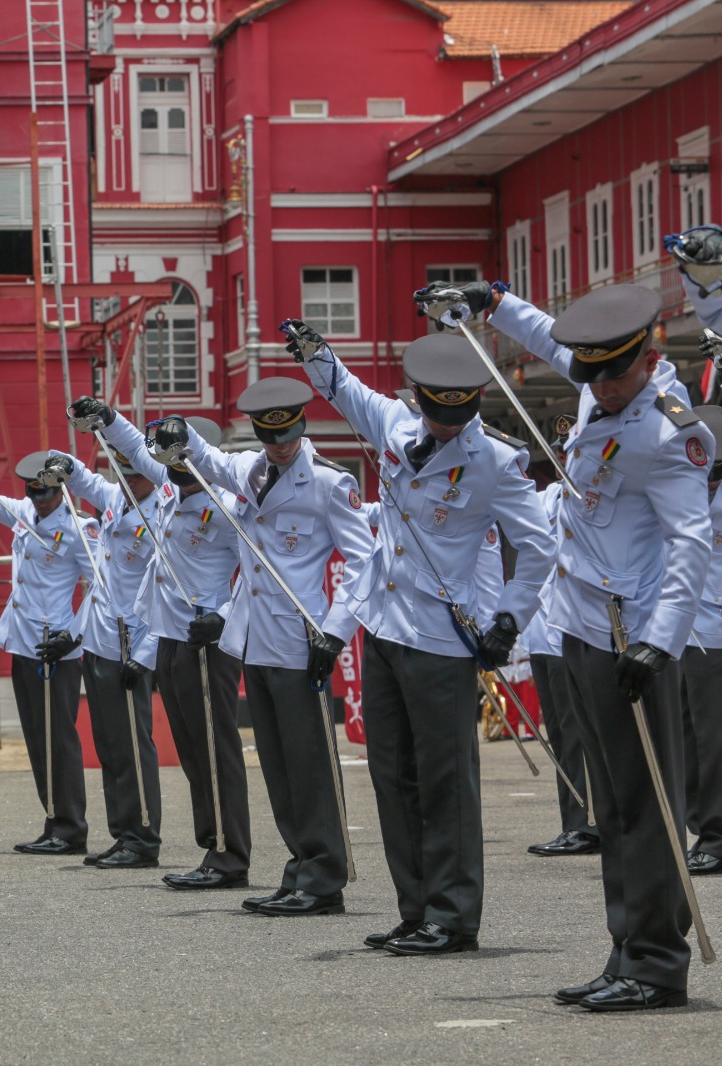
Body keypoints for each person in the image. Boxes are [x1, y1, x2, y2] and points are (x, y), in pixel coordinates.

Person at [430, 279, 713, 1011]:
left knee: (647, 803)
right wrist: (492, 302)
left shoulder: (666, 431)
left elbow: (690, 544)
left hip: (634, 634)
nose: (599, 390)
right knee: (613, 802)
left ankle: (656, 963)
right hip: (585, 625)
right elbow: (551, 339)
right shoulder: (600, 386)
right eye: (591, 377)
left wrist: (658, 643)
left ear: (648, 361)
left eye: (611, 376)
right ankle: (625, 947)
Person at [288, 322, 554, 955]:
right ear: (422, 400)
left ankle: (454, 914)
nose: (442, 425)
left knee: (445, 781)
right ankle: (416, 908)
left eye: (454, 415)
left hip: (441, 637)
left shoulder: (493, 461)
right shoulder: (397, 426)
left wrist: (509, 619)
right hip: (382, 626)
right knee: (392, 774)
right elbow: (345, 391)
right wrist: (314, 354)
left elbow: (538, 545)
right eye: (435, 412)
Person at [169, 377, 373, 916]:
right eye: (270, 435)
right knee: (279, 767)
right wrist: (181, 436)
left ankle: (324, 878)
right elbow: (208, 460)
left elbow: (364, 560)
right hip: (254, 636)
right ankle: (299, 867)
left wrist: (338, 629)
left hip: (301, 638)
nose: (280, 445)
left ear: (301, 428)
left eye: (288, 434)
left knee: (309, 764)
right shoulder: (251, 469)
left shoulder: (329, 482)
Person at [75, 401, 250, 889]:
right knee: (195, 751)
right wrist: (107, 417)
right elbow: (131, 445)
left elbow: (254, 570)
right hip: (171, 635)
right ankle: (211, 848)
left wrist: (225, 618)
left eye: (179, 455)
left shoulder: (226, 505)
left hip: (205, 641)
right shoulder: (172, 487)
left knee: (216, 750)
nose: (168, 465)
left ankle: (230, 855)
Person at [40, 444, 164, 869]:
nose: (129, 483)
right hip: (98, 639)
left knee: (132, 746)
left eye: (137, 476)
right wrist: (65, 463)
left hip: (130, 645)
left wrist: (146, 655)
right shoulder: (116, 499)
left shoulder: (161, 514)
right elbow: (87, 482)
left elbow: (162, 594)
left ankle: (143, 837)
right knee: (110, 747)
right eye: (124, 475)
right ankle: (123, 832)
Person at [0, 452, 96, 857]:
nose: (41, 501)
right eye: (35, 493)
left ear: (62, 490)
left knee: (58, 739)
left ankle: (70, 827)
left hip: (57, 646)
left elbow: (99, 586)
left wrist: (74, 634)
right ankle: (53, 820)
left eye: (49, 494)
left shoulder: (79, 528)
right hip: (23, 640)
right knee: (37, 738)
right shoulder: (24, 514)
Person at [519, 414, 600, 859]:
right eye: (563, 453)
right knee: (561, 734)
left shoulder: (595, 498)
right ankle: (575, 822)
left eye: (573, 451)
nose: (567, 458)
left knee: (581, 732)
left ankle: (592, 823)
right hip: (542, 633)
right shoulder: (549, 496)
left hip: (574, 630)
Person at [681, 405, 722, 877]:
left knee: (712, 740)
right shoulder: (679, 489)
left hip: (715, 633)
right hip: (678, 631)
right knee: (687, 737)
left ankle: (715, 835)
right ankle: (700, 828)